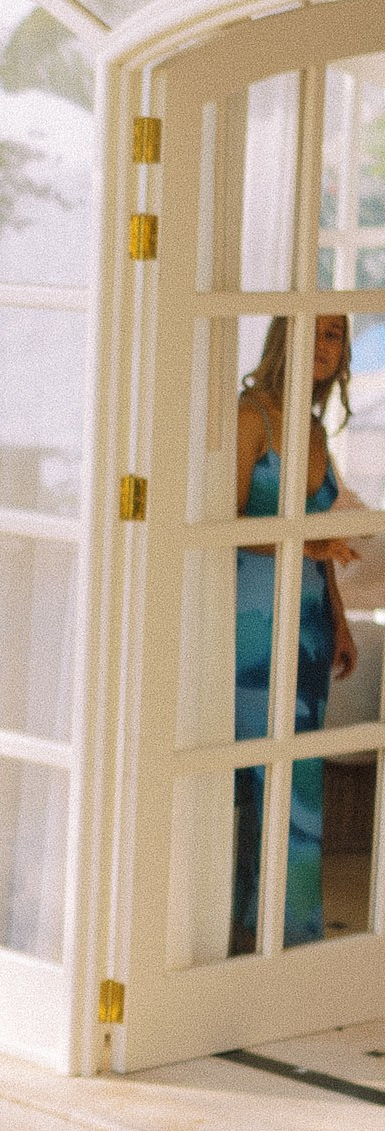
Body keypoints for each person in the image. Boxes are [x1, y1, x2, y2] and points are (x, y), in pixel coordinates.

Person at [233, 315, 360, 952]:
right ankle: (258, 934)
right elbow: (219, 526)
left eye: (336, 335)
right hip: (251, 619)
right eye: (314, 331)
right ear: (287, 338)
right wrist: (311, 547)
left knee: (297, 767)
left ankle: (285, 932)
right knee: (256, 773)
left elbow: (317, 539)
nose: (325, 346)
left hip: (308, 622)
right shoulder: (250, 415)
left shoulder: (312, 428)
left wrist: (338, 623)